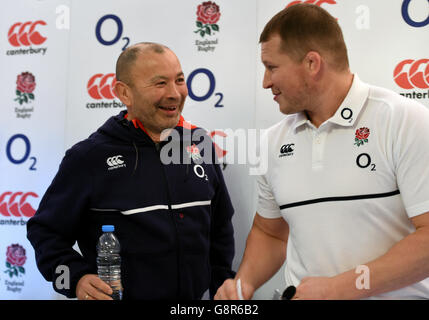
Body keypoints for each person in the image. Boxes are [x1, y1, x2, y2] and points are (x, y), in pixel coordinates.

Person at [215, 3, 429, 300]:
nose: (265, 82)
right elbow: (271, 232)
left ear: (312, 64)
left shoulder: (404, 121)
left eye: (272, 67)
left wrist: (339, 289)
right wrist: (244, 283)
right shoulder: (272, 142)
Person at [27, 42, 235, 300]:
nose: (174, 93)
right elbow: (45, 233)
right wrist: (75, 278)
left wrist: (222, 284)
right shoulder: (88, 158)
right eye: (160, 83)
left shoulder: (199, 143)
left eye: (179, 80)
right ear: (124, 93)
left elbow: (220, 228)